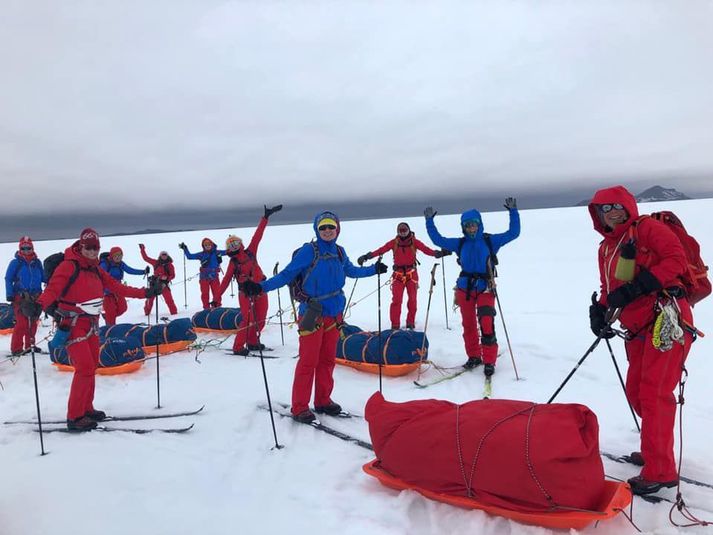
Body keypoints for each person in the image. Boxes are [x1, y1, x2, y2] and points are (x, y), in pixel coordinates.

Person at [588, 185, 694, 495]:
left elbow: (676, 260)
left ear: (627, 206)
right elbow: (609, 288)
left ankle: (660, 470)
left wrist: (638, 287)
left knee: (654, 393)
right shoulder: (606, 247)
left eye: (615, 207)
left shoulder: (647, 229)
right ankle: (654, 449)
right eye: (603, 209)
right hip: (637, 327)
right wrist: (600, 313)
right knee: (636, 391)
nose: (610, 214)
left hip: (667, 320)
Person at [242, 211, 386, 423]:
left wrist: (373, 270)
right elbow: (286, 275)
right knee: (308, 362)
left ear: (337, 229)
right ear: (317, 230)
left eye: (331, 227)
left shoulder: (339, 251)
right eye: (323, 228)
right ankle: (299, 407)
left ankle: (323, 401)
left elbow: (351, 271)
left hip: (334, 314)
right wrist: (260, 287)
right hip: (312, 313)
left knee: (327, 360)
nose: (327, 231)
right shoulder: (309, 251)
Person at [36, 228, 164, 431]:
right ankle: (75, 416)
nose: (93, 252)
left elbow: (117, 287)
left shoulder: (95, 268)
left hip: (92, 325)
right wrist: (38, 306)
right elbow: (53, 289)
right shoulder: (69, 266)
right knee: (84, 367)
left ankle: (86, 408)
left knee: (92, 365)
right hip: (73, 324)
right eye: (89, 248)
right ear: (81, 246)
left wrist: (147, 292)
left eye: (96, 248)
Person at [424, 198, 520, 376]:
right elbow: (438, 240)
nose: (471, 228)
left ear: (479, 224)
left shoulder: (491, 241)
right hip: (465, 289)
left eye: (474, 224)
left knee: (486, 323)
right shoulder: (460, 243)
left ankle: (489, 361)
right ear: (463, 227)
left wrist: (513, 212)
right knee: (468, 325)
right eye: (467, 225)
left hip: (485, 287)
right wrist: (429, 222)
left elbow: (513, 233)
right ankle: (474, 356)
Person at [357, 222, 449, 330]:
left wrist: (438, 253)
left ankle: (410, 323)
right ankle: (395, 325)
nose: (403, 232)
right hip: (398, 276)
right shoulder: (394, 243)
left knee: (412, 300)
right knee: (396, 301)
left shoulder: (415, 242)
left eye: (405, 230)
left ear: (409, 230)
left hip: (412, 275)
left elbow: (426, 250)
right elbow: (381, 250)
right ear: (397, 232)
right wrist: (367, 256)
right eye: (400, 231)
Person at [218, 205, 282, 355]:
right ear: (228, 248)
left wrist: (265, 218)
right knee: (247, 320)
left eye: (236, 243)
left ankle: (253, 342)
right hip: (245, 294)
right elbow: (226, 280)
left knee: (261, 319)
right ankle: (238, 347)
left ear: (240, 244)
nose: (234, 246)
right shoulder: (233, 263)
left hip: (260, 289)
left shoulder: (251, 252)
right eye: (230, 244)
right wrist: (216, 297)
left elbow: (257, 236)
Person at [4, 236, 45, 355]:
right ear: (20, 248)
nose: (26, 250)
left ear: (32, 248)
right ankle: (16, 349)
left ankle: (30, 345)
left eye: (29, 248)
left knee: (33, 322)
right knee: (22, 323)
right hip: (20, 297)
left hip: (36, 296)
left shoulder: (37, 263)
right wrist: (9, 294)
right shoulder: (15, 263)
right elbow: (8, 279)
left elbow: (43, 277)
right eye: (24, 248)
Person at [99, 246, 149, 325]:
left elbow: (130, 270)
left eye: (120, 255)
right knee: (111, 312)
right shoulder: (104, 265)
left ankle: (108, 316)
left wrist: (143, 271)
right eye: (116, 255)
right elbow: (98, 277)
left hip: (118, 289)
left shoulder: (120, 264)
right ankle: (110, 330)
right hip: (107, 293)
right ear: (112, 256)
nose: (118, 257)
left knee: (123, 308)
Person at [180, 238, 225, 310]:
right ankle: (206, 309)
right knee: (205, 294)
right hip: (204, 277)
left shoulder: (217, 252)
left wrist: (232, 243)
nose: (207, 246)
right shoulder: (201, 254)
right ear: (203, 246)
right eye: (206, 245)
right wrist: (185, 249)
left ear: (212, 244)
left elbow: (229, 252)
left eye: (209, 244)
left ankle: (217, 307)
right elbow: (189, 256)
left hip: (214, 276)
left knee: (217, 293)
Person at [139, 244, 178, 316]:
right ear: (160, 256)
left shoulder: (170, 265)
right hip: (154, 283)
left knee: (169, 300)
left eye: (165, 255)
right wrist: (142, 249)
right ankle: (147, 313)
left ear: (167, 256)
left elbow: (173, 275)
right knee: (150, 299)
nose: (164, 256)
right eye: (162, 255)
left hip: (164, 284)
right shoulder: (156, 262)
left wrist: (167, 278)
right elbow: (145, 258)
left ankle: (174, 314)